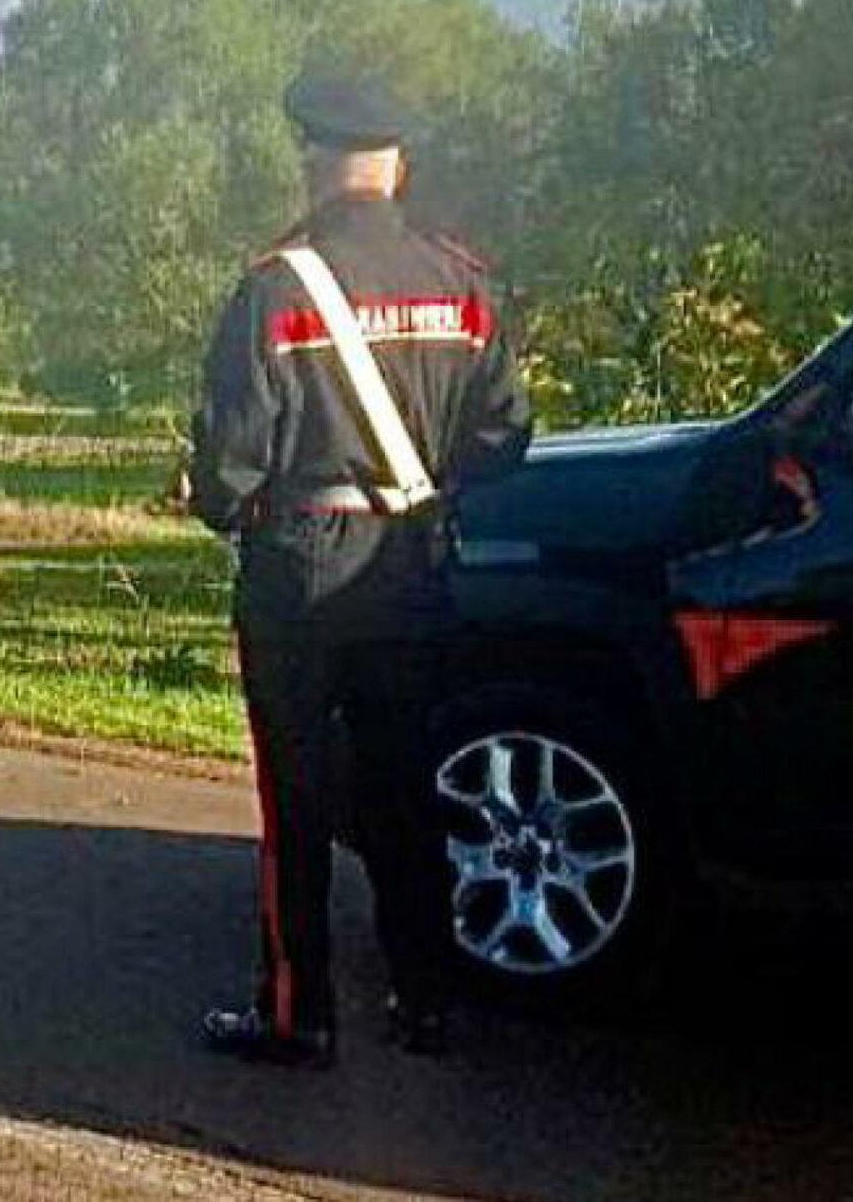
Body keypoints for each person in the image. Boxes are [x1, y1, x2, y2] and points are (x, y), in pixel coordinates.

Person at [190, 70, 531, 1068]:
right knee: (405, 792)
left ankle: (298, 1014)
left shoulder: (276, 287)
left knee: (293, 802)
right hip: (412, 567)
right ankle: (425, 1001)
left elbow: (227, 465)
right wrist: (424, 485)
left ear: (313, 160)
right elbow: (506, 436)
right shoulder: (463, 283)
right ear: (398, 165)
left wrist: (223, 507)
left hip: (298, 575)